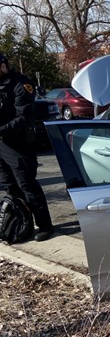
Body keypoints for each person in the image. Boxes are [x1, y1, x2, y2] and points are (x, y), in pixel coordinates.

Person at [0, 52, 53, 241]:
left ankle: (45, 225)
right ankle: (22, 224)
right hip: (1, 144)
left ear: (3, 65)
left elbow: (23, 117)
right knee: (10, 187)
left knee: (28, 185)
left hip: (18, 143)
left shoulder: (21, 84)